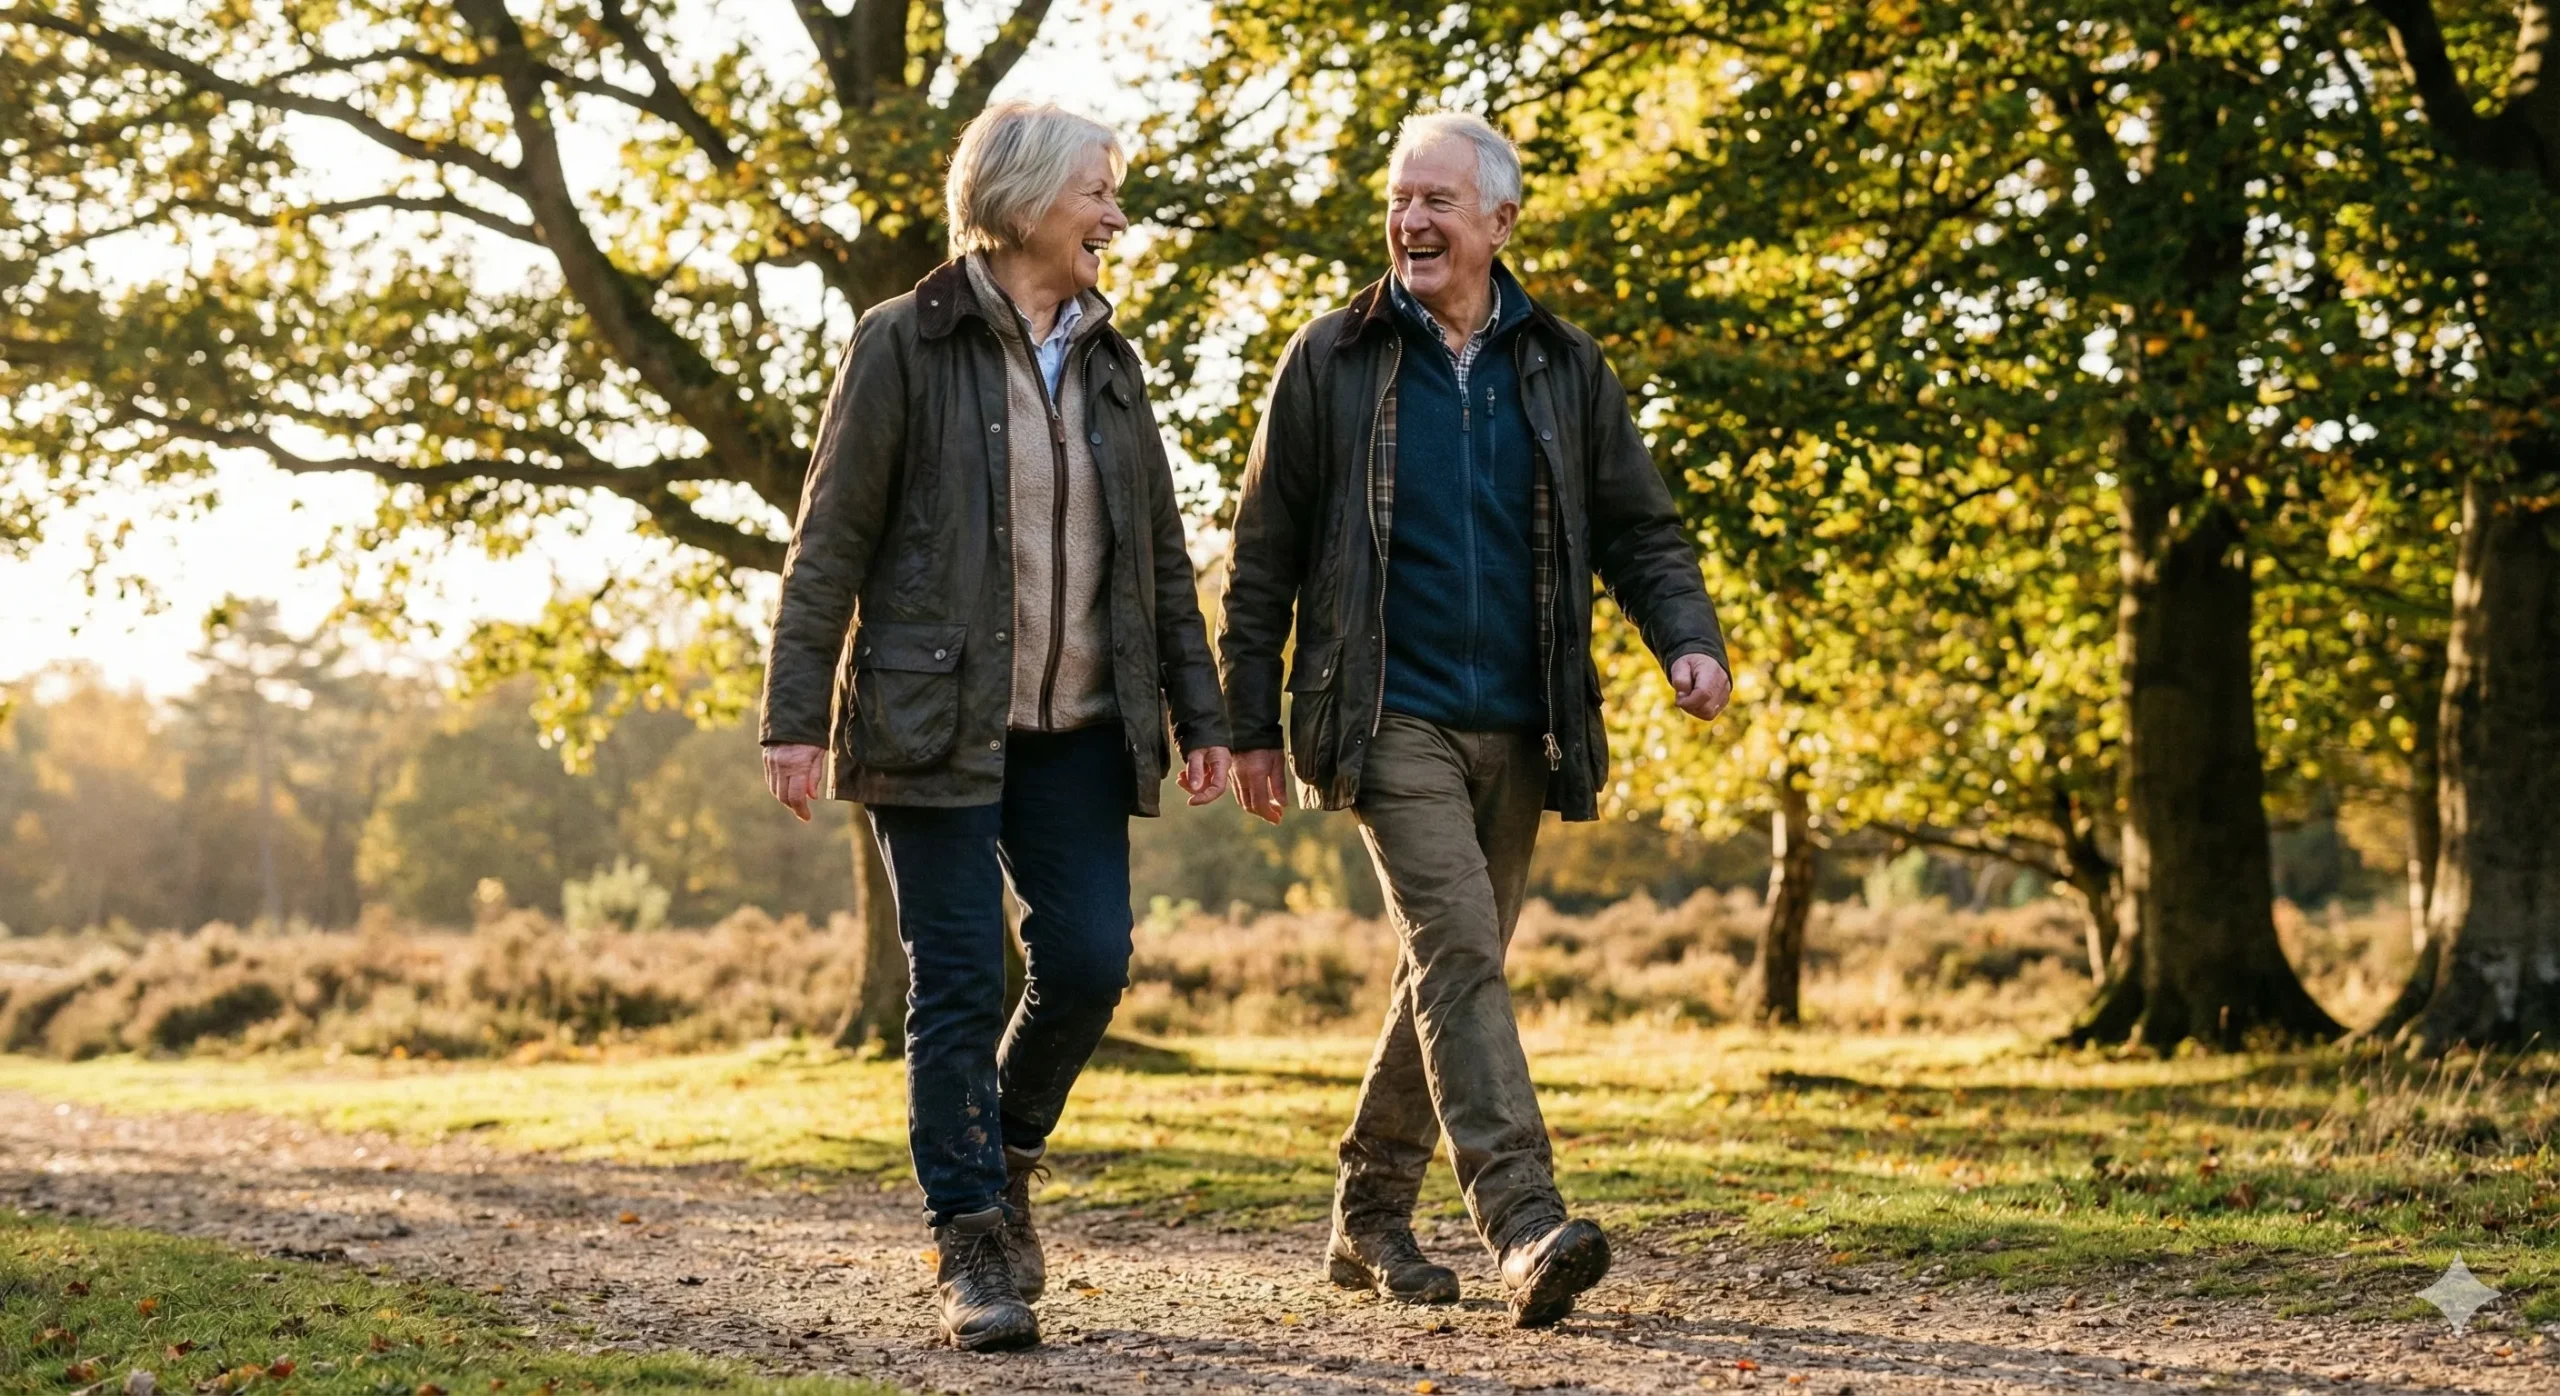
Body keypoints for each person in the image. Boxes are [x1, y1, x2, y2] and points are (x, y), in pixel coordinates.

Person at [1218, 111, 1731, 1328]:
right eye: (1400, 199)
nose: (1411, 221)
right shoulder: (1330, 359)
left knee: (1453, 968)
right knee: (1456, 946)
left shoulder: (1563, 366)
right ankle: (1522, 1218)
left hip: (1522, 721)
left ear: (1500, 222)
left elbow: (1638, 527)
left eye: (1439, 200)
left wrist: (1688, 638)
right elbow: (1262, 553)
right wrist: (1244, 716)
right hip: (1383, 714)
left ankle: (1369, 1211)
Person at [759, 102, 1233, 1353]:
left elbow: (1165, 565)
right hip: (930, 716)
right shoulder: (902, 345)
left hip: (1080, 724)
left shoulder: (1115, 363)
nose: (1115, 216)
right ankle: (971, 1236)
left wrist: (1204, 715)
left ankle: (1006, 1147)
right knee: (960, 976)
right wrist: (794, 715)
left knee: (1088, 958)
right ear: (1025, 200)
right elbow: (830, 545)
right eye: (1098, 191)